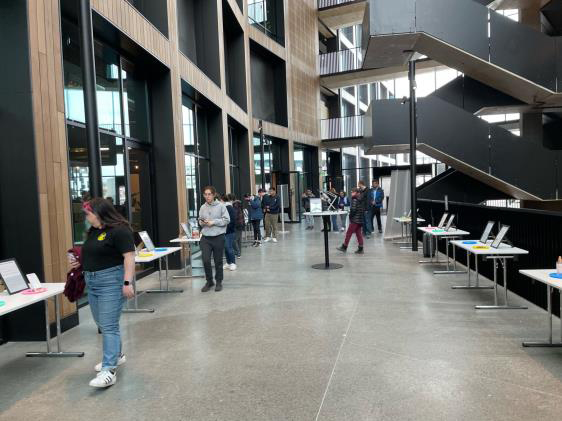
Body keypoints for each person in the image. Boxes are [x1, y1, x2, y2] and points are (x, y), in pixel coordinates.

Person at [68, 198, 135, 388]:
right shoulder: (94, 231)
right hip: (93, 283)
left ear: (99, 213)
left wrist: (127, 282)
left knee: (109, 325)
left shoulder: (120, 231)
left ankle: (109, 370)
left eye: (87, 214)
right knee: (102, 324)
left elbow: (129, 257)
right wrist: (79, 262)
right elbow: (93, 253)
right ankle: (117, 355)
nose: (86, 217)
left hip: (111, 282)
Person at [199, 186, 230, 292]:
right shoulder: (202, 207)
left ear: (213, 195)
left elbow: (226, 220)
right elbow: (199, 220)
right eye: (205, 194)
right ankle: (209, 281)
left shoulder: (221, 206)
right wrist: (202, 222)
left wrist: (214, 222)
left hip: (218, 237)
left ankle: (219, 282)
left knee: (218, 261)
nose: (207, 196)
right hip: (205, 238)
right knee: (206, 260)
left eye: (209, 194)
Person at [337, 187, 364, 254]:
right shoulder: (360, 199)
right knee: (359, 234)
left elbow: (353, 210)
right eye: (351, 192)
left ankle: (344, 247)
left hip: (355, 220)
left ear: (357, 193)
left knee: (349, 233)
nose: (352, 193)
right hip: (359, 219)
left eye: (353, 192)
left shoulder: (355, 199)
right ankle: (361, 248)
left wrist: (350, 216)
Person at [222, 194, 237, 271]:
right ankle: (228, 262)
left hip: (229, 232)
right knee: (226, 248)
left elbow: (232, 221)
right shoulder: (225, 207)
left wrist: (227, 229)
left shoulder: (229, 208)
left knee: (229, 247)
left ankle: (233, 263)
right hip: (224, 232)